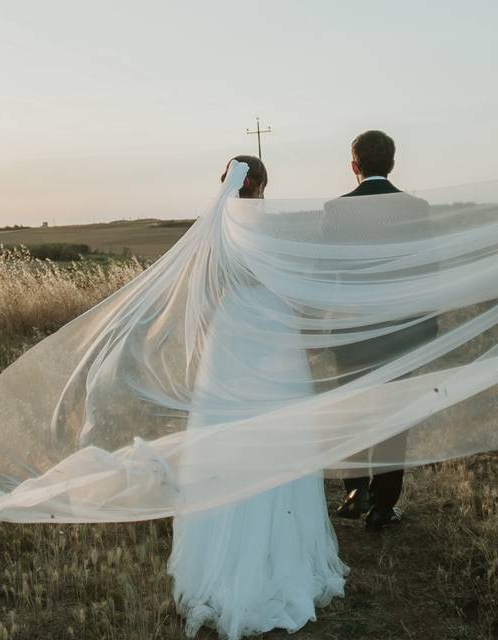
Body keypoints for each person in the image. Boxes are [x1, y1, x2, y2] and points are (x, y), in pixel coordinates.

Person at [167, 156, 348, 640]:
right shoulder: (270, 228)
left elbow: (204, 293)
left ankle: (218, 560)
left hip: (230, 334)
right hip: (272, 331)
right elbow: (292, 285)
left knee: (228, 435)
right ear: (263, 184)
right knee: (280, 433)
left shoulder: (215, 230)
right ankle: (281, 556)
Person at [327, 130, 439, 530]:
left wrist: (325, 329)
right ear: (392, 164)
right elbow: (428, 271)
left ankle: (355, 491)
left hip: (353, 332)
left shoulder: (336, 210)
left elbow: (329, 273)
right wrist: (428, 327)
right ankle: (383, 505)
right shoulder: (416, 207)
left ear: (354, 166)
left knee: (351, 412)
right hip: (401, 331)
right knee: (394, 416)